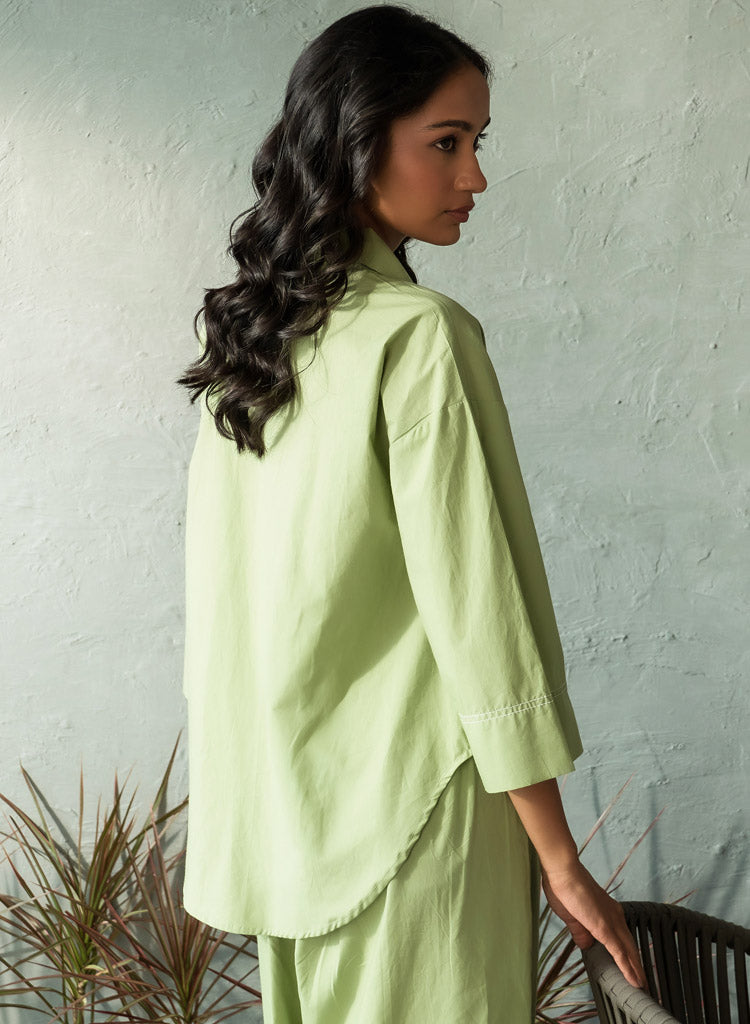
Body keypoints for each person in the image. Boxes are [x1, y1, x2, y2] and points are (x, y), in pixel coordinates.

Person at [178, 5, 648, 1022]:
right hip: (419, 814)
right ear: (357, 140)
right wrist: (560, 858)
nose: (474, 176)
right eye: (447, 142)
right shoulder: (419, 335)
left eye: (478, 142)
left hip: (290, 823)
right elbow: (481, 612)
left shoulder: (256, 345)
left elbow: (231, 612)